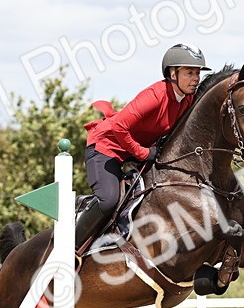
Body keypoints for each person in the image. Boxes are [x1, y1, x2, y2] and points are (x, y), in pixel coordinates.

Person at [76, 43, 210, 252]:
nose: (196, 78)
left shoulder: (187, 99)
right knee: (109, 200)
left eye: (198, 73)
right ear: (173, 74)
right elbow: (119, 126)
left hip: (135, 150)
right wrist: (143, 153)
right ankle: (71, 247)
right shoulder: (155, 95)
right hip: (106, 147)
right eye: (190, 72)